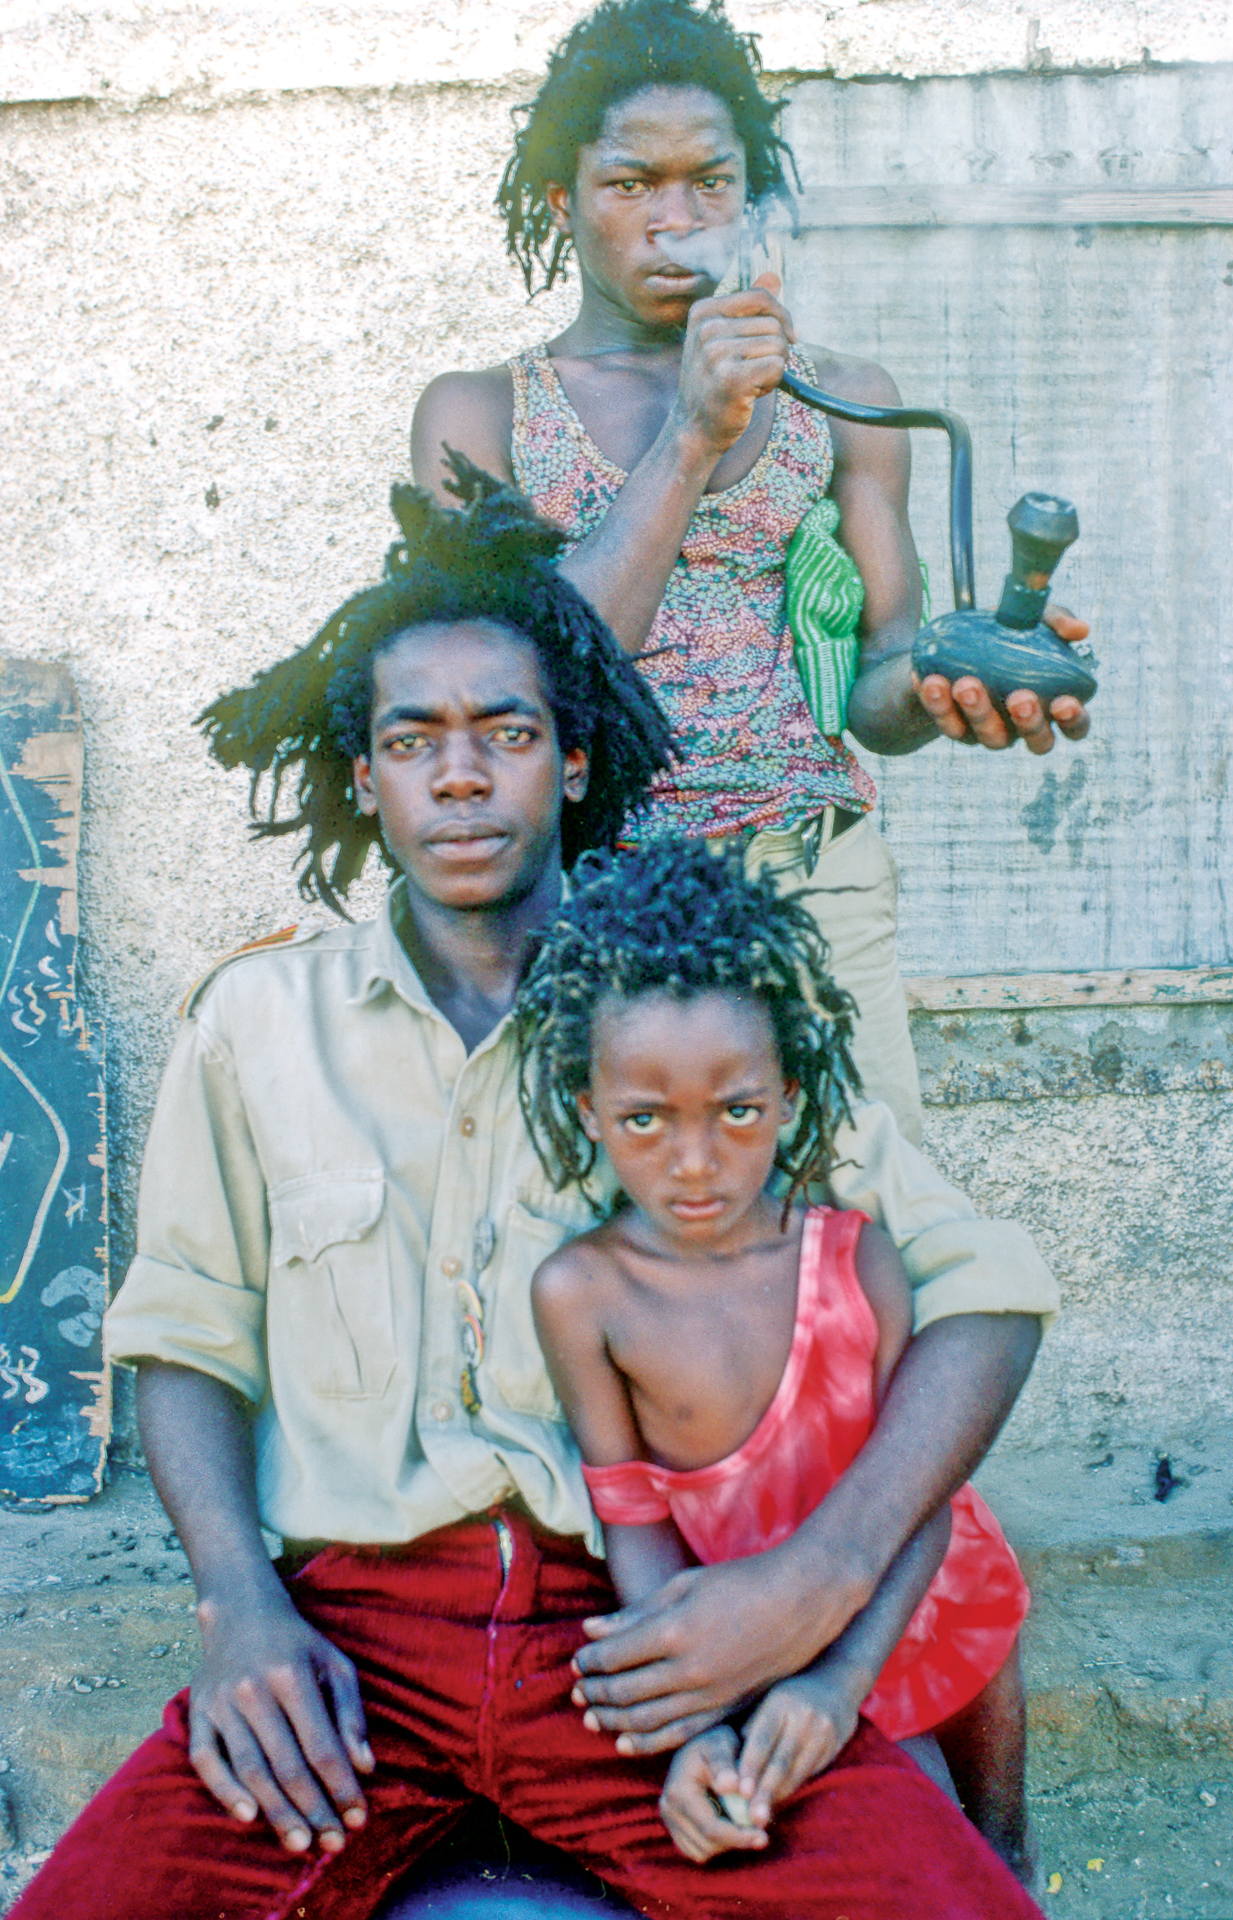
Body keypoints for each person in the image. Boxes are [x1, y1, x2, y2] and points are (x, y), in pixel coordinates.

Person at [11, 465, 1055, 1920]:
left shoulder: (692, 1023)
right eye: (412, 740)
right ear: (363, 776)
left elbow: (984, 1292)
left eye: (506, 733)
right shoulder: (255, 1025)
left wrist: (815, 1578)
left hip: (644, 1630)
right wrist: (235, 1607)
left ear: (571, 761)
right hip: (348, 1648)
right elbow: (187, 1339)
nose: (459, 776)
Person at [411, 0, 1092, 1146]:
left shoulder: (847, 398)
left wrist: (953, 675)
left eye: (710, 183)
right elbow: (515, 689)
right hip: (592, 899)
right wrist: (693, 432)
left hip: (811, 888)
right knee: (609, 1218)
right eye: (632, 184)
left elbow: (876, 692)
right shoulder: (478, 416)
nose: (676, 220)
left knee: (860, 1203)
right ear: (562, 201)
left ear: (752, 199)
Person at [519, 835, 1033, 1881]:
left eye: (738, 1111)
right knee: (898, 1857)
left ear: (793, 1098)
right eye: (644, 1119)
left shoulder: (853, 1257)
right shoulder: (582, 1296)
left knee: (995, 1851)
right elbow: (633, 1521)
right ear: (587, 1112)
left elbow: (925, 1498)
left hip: (917, 1598)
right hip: (748, 1635)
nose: (695, 1162)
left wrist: (839, 1680)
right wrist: (694, 1716)